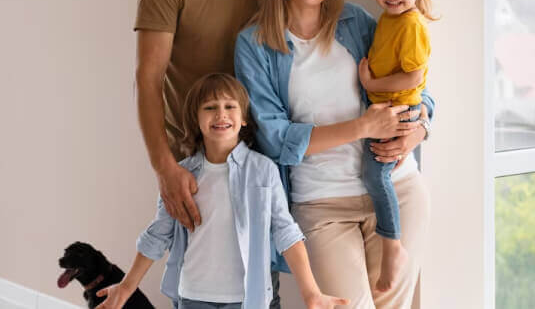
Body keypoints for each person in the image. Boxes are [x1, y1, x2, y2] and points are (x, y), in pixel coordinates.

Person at [234, 0, 434, 308]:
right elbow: (274, 137)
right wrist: (362, 127)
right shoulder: (254, 43)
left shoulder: (355, 22)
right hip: (322, 204)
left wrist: (420, 128)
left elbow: (415, 86)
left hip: (398, 189)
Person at [133, 0, 283, 305]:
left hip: (260, 160)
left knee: (259, 292)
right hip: (193, 164)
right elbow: (147, 79)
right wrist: (165, 168)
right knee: (195, 286)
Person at [94, 74, 349, 309]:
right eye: (209, 107)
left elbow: (286, 233)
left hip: (248, 299)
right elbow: (157, 235)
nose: (220, 114)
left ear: (244, 117)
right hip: (192, 297)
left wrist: (311, 293)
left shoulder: (263, 171)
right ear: (196, 117)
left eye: (230, 106)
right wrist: (127, 286)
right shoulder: (180, 176)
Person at [357, 0, 437, 293]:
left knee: (376, 177)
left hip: (399, 111)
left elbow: (415, 76)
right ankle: (391, 246)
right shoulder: (389, 18)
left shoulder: (411, 24)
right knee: (374, 173)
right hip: (388, 108)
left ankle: (392, 247)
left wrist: (373, 81)